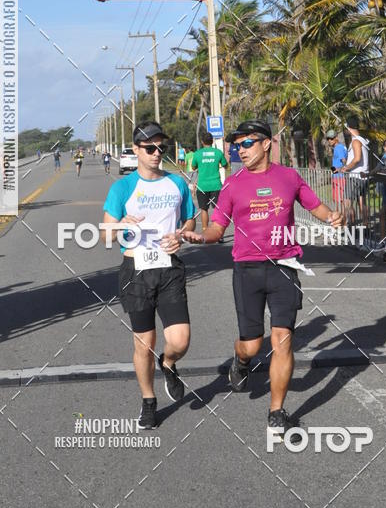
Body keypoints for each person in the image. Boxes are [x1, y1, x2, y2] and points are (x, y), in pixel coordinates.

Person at [182, 119, 343, 435]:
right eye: (236, 145)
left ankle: (276, 411)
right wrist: (203, 237)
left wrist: (334, 216)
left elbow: (316, 207)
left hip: (284, 266)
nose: (239, 149)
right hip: (247, 270)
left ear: (266, 143)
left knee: (282, 340)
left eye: (246, 143)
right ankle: (241, 362)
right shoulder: (233, 185)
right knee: (253, 346)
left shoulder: (289, 177)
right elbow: (217, 227)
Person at [101, 121, 196, 430]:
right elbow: (104, 236)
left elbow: (190, 221)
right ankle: (148, 401)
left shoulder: (177, 184)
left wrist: (181, 235)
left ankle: (168, 363)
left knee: (179, 341)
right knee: (144, 343)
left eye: (161, 148)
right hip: (135, 270)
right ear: (136, 151)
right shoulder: (122, 188)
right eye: (150, 148)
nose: (157, 153)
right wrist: (119, 225)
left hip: (169, 268)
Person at [191, 133, 228, 236]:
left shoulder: (197, 154)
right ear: (212, 141)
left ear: (202, 142)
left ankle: (205, 232)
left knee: (204, 209)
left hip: (202, 186)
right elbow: (225, 165)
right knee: (218, 209)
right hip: (216, 185)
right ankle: (219, 234)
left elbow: (193, 167)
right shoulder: (218, 153)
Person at [340, 117, 370, 230]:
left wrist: (346, 168)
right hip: (362, 177)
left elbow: (357, 159)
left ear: (349, 128)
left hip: (355, 177)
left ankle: (349, 227)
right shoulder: (362, 140)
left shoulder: (356, 141)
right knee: (362, 202)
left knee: (347, 202)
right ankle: (365, 227)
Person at [326, 129, 347, 210]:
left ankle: (343, 219)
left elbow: (344, 161)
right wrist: (333, 171)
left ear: (336, 138)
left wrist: (338, 170)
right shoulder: (336, 148)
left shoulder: (339, 148)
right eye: (328, 139)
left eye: (331, 138)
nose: (329, 140)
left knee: (340, 200)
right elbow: (335, 163)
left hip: (340, 177)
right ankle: (339, 217)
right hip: (336, 176)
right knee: (336, 200)